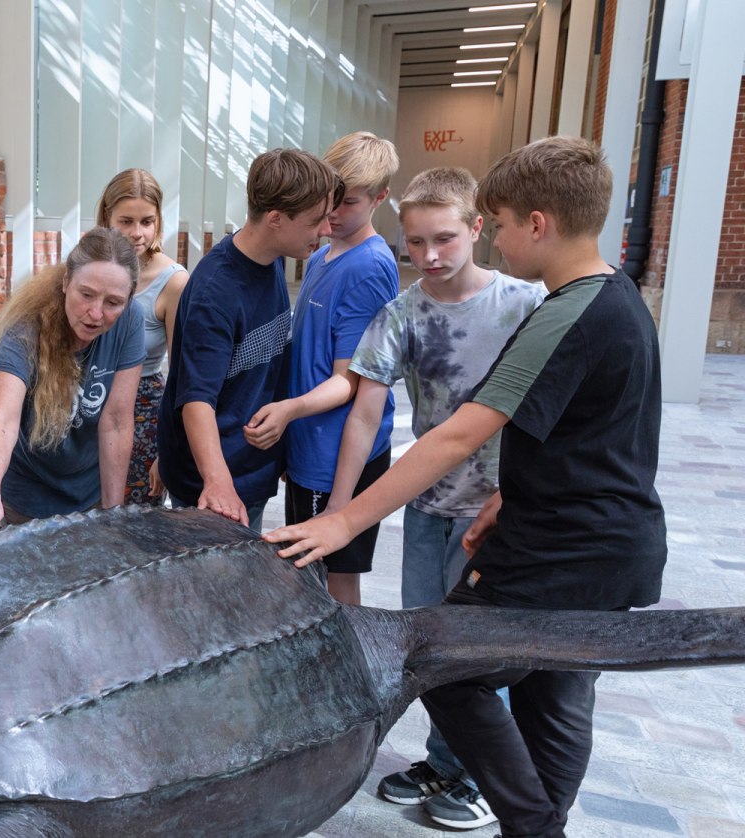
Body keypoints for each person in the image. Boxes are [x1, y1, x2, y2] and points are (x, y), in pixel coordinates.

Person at [266, 136, 666, 838]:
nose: (502, 239)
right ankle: (540, 824)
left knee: (441, 662)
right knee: (553, 693)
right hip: (606, 544)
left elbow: (459, 434)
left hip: (563, 553)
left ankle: (530, 822)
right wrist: (508, 498)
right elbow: (591, 437)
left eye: (502, 224)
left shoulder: (563, 311)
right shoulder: (619, 297)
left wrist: (343, 522)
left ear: (535, 223)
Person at [339, 167, 544, 830]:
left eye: (445, 238)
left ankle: (488, 776)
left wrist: (521, 495)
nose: (429, 255)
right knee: (432, 647)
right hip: (429, 509)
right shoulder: (403, 312)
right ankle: (444, 758)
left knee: (484, 654)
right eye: (415, 243)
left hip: (501, 514)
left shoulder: (526, 304)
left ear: (478, 227)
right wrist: (339, 514)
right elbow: (367, 413)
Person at [246, 131, 400, 604]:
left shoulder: (369, 266)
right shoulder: (320, 254)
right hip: (311, 450)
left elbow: (349, 382)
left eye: (348, 202)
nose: (333, 212)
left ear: (380, 198)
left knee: (336, 582)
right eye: (330, 199)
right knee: (307, 579)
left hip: (338, 459)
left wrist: (290, 411)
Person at [156, 148, 344, 531]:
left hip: (251, 469)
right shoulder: (216, 290)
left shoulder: (273, 258)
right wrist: (217, 482)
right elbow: (195, 401)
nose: (326, 230)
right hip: (213, 485)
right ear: (275, 219)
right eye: (316, 221)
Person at [0, 226, 143, 534]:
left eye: (113, 302)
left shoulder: (131, 320)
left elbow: (115, 421)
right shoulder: (25, 327)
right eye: (86, 295)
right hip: (24, 500)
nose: (96, 313)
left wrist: (113, 515)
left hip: (88, 497)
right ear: (65, 282)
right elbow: (3, 419)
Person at [95, 168, 190, 505]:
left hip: (144, 412)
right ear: (107, 217)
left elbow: (182, 372)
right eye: (126, 221)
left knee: (133, 526)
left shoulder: (173, 281)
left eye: (147, 221)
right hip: (89, 403)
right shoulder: (88, 267)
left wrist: (169, 449)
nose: (137, 233)